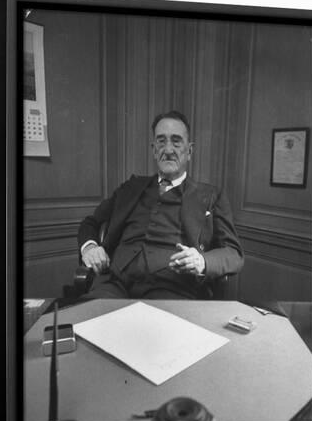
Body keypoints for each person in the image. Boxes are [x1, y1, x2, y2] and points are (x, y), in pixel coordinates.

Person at [78, 111, 243, 299]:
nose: (168, 149)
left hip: (173, 289)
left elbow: (234, 253)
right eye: (161, 141)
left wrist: (202, 261)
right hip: (115, 285)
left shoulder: (211, 195)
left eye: (176, 141)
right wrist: (90, 248)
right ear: (154, 150)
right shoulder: (130, 188)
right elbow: (90, 223)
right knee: (86, 321)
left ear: (189, 151)